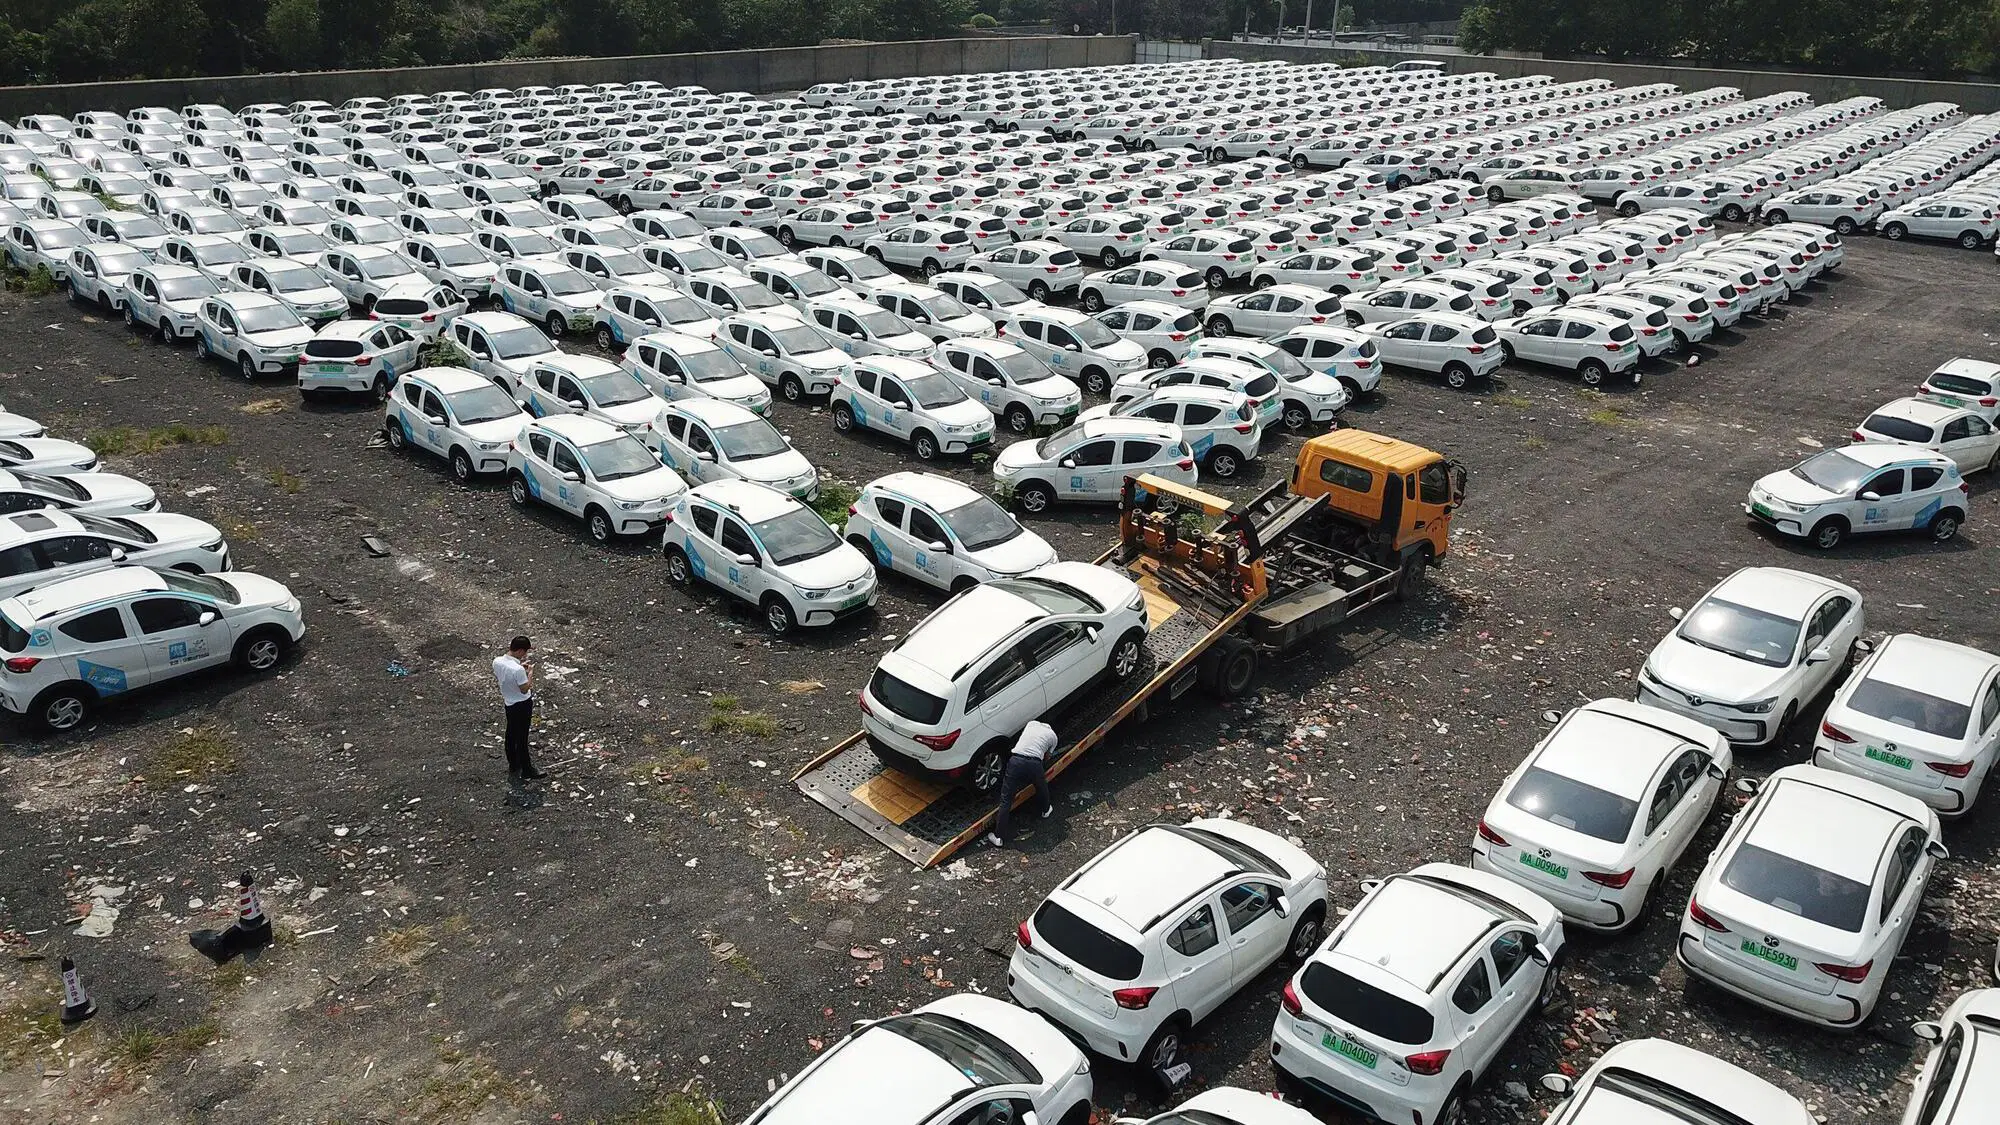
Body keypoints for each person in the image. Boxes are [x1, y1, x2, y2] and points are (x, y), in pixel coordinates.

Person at [985, 720, 1056, 847]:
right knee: (1041, 787)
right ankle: (1046, 810)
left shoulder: (1031, 724)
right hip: (1035, 764)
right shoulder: (1053, 737)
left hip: (1016, 761)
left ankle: (998, 837)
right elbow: (1047, 757)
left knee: (1006, 800)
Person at [493, 635, 545, 781]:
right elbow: (524, 688)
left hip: (509, 702)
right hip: (522, 704)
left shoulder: (497, 662)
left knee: (510, 734)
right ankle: (527, 768)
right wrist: (529, 674)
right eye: (525, 652)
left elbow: (507, 676)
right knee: (522, 737)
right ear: (521, 650)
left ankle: (513, 764)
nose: (525, 655)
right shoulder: (517, 670)